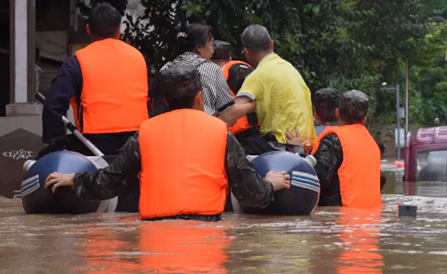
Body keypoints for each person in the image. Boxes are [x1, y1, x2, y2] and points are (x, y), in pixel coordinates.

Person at [44, 65, 291, 222]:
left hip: (154, 238)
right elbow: (251, 193)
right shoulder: (221, 133)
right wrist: (270, 183)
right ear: (199, 97)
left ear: (165, 100)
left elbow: (109, 184)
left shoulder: (145, 133)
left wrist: (73, 179)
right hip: (206, 237)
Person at [39, 3, 149, 158]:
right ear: (118, 31)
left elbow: (53, 104)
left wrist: (54, 141)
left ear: (88, 29)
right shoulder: (138, 57)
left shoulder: (76, 62)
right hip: (138, 141)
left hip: (95, 143)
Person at [289, 90, 383, 209]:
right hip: (372, 221)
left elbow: (315, 177)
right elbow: (381, 179)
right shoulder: (372, 144)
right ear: (364, 120)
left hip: (341, 220)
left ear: (337, 113)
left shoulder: (333, 140)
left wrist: (299, 151)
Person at [148, 23, 253, 126]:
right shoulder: (211, 69)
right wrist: (252, 105)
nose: (212, 51)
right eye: (211, 44)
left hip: (167, 133)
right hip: (202, 133)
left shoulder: (165, 69)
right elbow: (228, 114)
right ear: (199, 47)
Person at [233, 24, 317, 154]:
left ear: (246, 51)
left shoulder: (258, 75)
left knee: (233, 149)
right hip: (304, 142)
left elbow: (232, 111)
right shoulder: (289, 68)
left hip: (280, 142)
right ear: (272, 43)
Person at [210, 40, 260, 144]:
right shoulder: (250, 69)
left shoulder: (212, 76)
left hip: (233, 135)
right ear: (229, 58)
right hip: (260, 132)